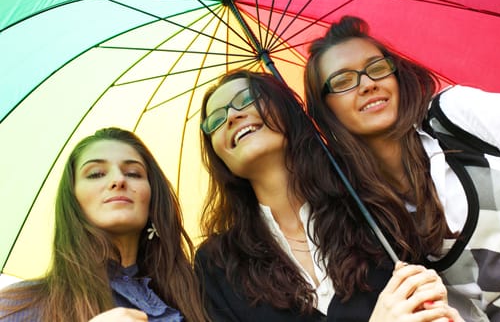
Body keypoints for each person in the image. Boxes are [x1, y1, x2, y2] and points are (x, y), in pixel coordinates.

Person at [304, 15, 500, 321]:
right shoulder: (374, 224)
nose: (368, 84)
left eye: (377, 68)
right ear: (325, 109)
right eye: (342, 81)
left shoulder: (452, 117)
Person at [195, 69, 463, 321]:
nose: (231, 117)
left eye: (246, 99)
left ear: (286, 109)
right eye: (215, 120)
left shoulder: (371, 205)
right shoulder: (216, 265)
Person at [0, 127, 208, 322]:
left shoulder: (199, 298)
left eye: (133, 173)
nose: (118, 180)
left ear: (153, 197)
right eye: (96, 174)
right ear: (73, 199)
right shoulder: (17, 306)